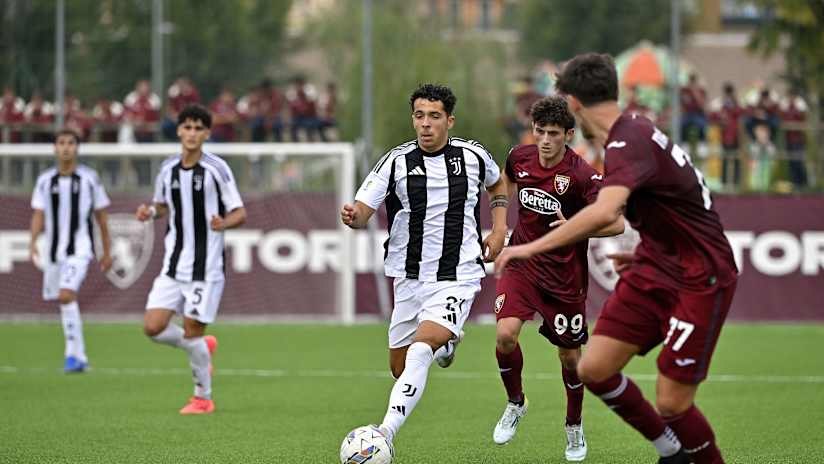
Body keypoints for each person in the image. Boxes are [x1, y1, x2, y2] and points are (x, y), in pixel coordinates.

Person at [496, 53, 738, 464]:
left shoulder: (629, 140)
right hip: (656, 265)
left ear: (572, 104)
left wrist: (527, 246)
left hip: (701, 275)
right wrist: (649, 252)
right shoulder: (629, 134)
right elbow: (667, 210)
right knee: (594, 369)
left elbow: (608, 213)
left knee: (673, 404)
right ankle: (672, 452)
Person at [340, 84, 508, 455]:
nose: (426, 124)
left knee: (419, 352)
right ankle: (446, 342)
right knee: (400, 369)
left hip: (459, 274)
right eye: (419, 116)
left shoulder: (473, 155)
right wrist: (354, 217)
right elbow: (364, 208)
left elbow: (498, 182)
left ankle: (383, 434)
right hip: (409, 279)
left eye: (434, 116)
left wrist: (498, 229)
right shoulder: (395, 162)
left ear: (449, 120)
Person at [491, 96, 624, 461]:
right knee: (505, 335)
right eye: (539, 132)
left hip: (565, 277)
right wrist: (500, 225)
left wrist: (579, 228)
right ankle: (516, 402)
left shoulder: (581, 174)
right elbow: (504, 182)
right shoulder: (520, 157)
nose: (545, 140)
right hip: (521, 265)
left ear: (568, 134)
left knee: (569, 357)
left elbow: (616, 222)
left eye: (553, 133)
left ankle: (574, 425)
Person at [135, 104, 246, 414]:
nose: (192, 133)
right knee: (152, 327)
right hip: (173, 265)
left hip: (205, 268)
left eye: (199, 128)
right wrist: (150, 212)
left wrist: (224, 223)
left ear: (207, 133)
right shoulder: (168, 169)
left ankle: (203, 398)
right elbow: (161, 205)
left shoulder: (216, 169)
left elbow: (239, 212)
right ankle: (200, 346)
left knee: (192, 329)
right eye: (187, 127)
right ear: (179, 131)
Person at [29, 129, 113, 372]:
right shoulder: (45, 181)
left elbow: (102, 217)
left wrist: (106, 251)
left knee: (66, 295)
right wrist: (32, 241)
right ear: (55, 148)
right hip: (54, 252)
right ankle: (79, 357)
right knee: (64, 300)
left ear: (77, 148)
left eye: (70, 143)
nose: (66, 147)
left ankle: (71, 356)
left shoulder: (89, 179)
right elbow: (38, 213)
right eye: (61, 143)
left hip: (80, 248)